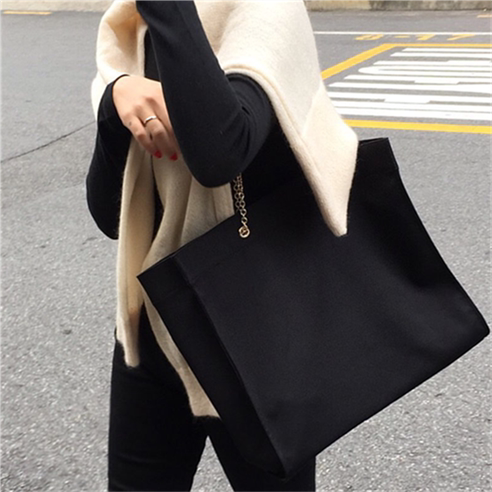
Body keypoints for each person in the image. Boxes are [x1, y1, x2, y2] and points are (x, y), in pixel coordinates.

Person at [87, 1, 358, 490]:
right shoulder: (130, 29)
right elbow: (110, 216)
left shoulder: (267, 12)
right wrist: (115, 100)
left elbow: (220, 152)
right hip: (154, 324)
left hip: (255, 338)